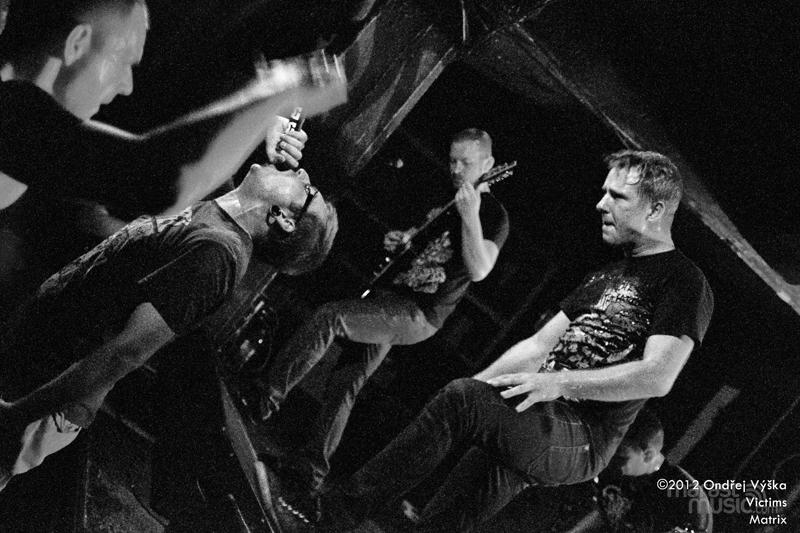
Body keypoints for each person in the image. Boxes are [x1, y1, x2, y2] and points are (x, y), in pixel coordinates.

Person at [319, 149, 714, 532]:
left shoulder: (683, 281)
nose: (601, 204)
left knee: (462, 401)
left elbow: (657, 376)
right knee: (450, 514)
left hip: (584, 436)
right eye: (603, 192)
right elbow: (538, 345)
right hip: (536, 408)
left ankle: (338, 511)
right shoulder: (606, 275)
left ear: (655, 210)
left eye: (617, 196)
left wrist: (557, 383)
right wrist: (477, 388)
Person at [0, 162, 338, 493]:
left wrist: (18, 415)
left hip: (43, 388)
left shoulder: (218, 255)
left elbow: (125, 354)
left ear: (284, 219)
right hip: (35, 352)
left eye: (308, 189)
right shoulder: (221, 212)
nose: (303, 172)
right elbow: (216, 150)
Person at [0, 0, 343, 318]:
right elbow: (155, 179)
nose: (127, 85)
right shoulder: (12, 115)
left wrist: (262, 118)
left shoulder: (21, 113)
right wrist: (281, 90)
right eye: (124, 61)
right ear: (76, 43)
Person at [254, 128, 509, 522]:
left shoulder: (492, 215)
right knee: (347, 380)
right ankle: (309, 473)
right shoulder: (447, 199)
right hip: (391, 297)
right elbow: (425, 250)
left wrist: (470, 217)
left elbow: (479, 269)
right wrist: (402, 241)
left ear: (488, 165)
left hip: (419, 313)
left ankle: (262, 400)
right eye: (452, 160)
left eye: (466, 163)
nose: (456, 169)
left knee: (330, 317)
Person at [570, 408, 713, 533]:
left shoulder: (686, 498)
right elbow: (602, 515)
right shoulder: (615, 471)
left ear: (648, 455)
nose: (609, 462)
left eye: (619, 457)